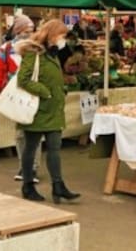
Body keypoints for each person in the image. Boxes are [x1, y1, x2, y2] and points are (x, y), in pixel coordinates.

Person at [16, 19, 80, 204]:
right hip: (38, 109)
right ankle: (28, 185)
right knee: (31, 148)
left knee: (55, 148)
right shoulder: (33, 53)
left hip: (53, 109)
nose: (63, 39)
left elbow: (51, 77)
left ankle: (58, 186)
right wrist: (46, 92)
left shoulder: (52, 54)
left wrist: (61, 89)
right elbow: (24, 80)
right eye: (61, 35)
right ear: (52, 34)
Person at [0, 15, 40, 183]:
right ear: (18, 31)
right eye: (26, 31)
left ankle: (32, 168)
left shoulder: (38, 48)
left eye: (31, 30)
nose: (29, 34)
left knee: (33, 133)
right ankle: (24, 166)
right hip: (15, 97)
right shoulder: (6, 50)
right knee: (20, 134)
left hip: (35, 95)